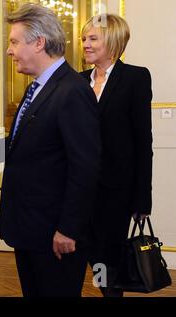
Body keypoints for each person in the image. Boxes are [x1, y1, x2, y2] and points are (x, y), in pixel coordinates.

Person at [0, 4, 101, 297]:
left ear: (39, 42)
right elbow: (24, 144)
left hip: (54, 233)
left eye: (14, 42)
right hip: (31, 228)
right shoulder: (39, 88)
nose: (9, 51)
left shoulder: (72, 91)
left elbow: (85, 167)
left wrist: (68, 229)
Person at [80, 14, 153, 297]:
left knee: (108, 259)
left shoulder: (135, 77)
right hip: (79, 188)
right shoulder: (77, 81)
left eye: (92, 38)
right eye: (84, 39)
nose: (85, 44)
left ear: (113, 42)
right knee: (83, 252)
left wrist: (142, 198)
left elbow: (142, 142)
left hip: (116, 191)